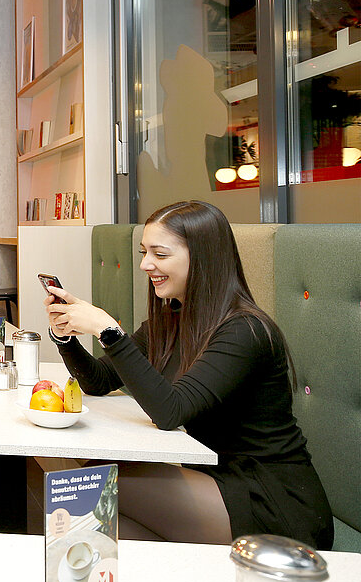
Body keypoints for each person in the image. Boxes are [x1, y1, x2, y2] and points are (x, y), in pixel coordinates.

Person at [45, 200, 333, 548]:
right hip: (215, 481)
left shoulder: (245, 330)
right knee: (99, 524)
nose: (145, 264)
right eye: (143, 252)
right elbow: (98, 381)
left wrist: (108, 330)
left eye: (160, 254)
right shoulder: (172, 320)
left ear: (201, 257)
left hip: (273, 501)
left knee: (91, 482)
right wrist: (65, 335)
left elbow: (170, 411)